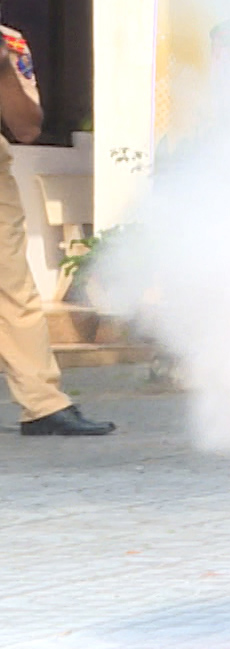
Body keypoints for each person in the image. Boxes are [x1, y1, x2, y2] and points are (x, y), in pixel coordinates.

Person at [0, 24, 114, 436]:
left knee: (13, 290)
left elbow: (27, 128)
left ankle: (43, 405)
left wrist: (2, 67)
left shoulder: (9, 43)